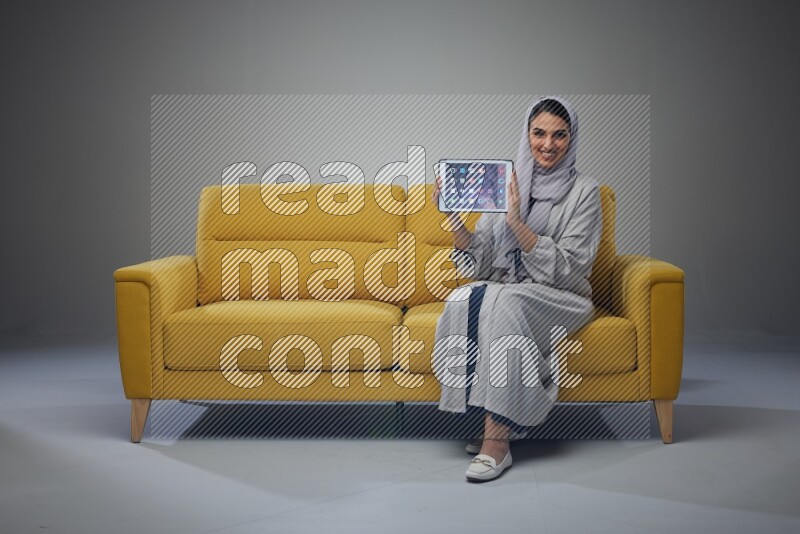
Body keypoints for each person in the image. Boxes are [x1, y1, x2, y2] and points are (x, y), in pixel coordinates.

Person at [431, 96, 603, 482]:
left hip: (563, 297)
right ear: (527, 135)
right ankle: (489, 418)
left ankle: (498, 441)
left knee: (505, 299)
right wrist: (455, 222)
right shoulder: (507, 183)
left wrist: (517, 224)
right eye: (539, 133)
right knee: (465, 298)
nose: (547, 144)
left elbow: (570, 268)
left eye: (560, 135)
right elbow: (481, 263)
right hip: (512, 289)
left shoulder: (585, 192)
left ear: (571, 139)